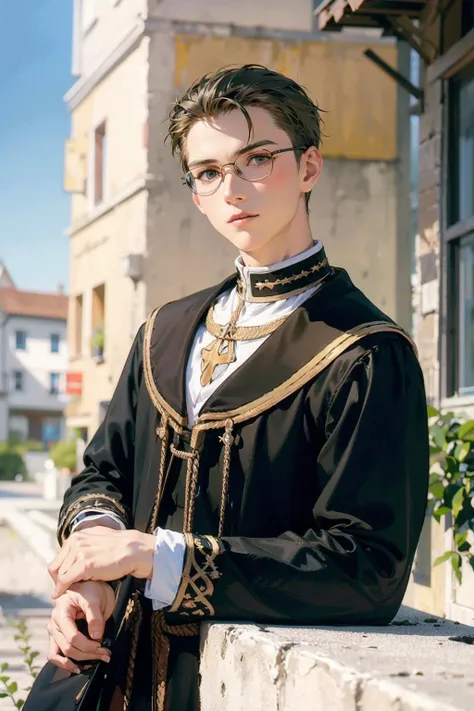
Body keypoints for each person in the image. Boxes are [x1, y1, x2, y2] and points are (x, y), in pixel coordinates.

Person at [46, 64, 429, 711]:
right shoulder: (162, 332)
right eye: (208, 171)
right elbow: (103, 473)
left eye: (256, 158)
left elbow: (365, 568)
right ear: (195, 193)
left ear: (309, 167)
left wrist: (155, 554)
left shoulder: (365, 353)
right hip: (109, 674)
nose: (233, 187)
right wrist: (92, 576)